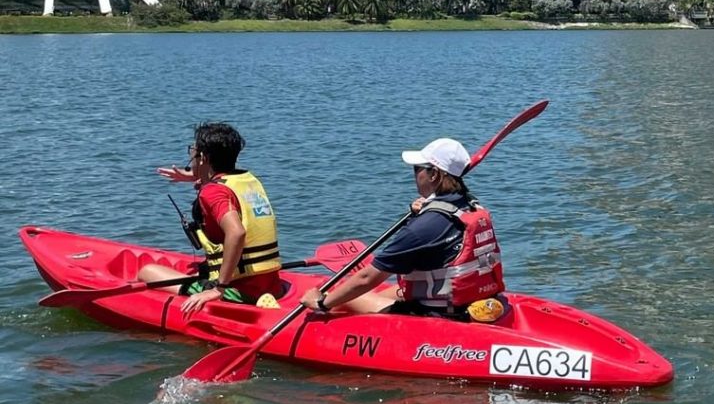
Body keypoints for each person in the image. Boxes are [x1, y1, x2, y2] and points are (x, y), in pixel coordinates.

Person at [299, 136, 504, 320]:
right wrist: (424, 210)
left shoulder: (424, 227)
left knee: (347, 297)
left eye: (417, 169)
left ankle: (324, 314)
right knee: (388, 292)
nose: (414, 175)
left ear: (433, 174)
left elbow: (366, 278)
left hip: (441, 314)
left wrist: (322, 302)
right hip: (472, 299)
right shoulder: (471, 206)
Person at [139, 122, 283, 314]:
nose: (190, 156)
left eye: (192, 151)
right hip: (272, 285)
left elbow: (237, 232)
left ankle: (232, 295)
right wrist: (194, 175)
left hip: (239, 291)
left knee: (147, 271)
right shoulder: (248, 180)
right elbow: (224, 183)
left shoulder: (212, 192)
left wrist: (219, 288)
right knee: (201, 269)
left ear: (203, 157)